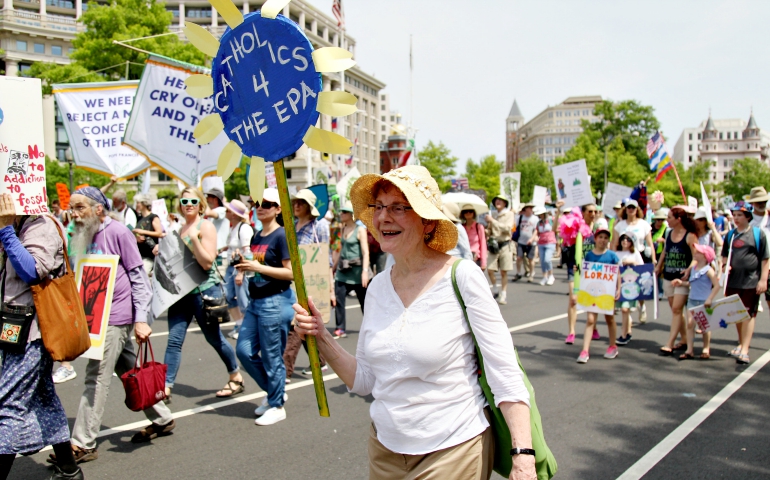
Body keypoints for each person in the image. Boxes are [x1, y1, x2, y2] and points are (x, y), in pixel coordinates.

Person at [293, 166, 536, 479]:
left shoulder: (462, 277)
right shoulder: (378, 287)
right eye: (379, 207)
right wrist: (321, 336)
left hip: (454, 450)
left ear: (427, 221)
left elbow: (504, 371)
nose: (383, 218)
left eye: (398, 207)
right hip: (384, 452)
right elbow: (365, 380)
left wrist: (523, 457)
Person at [62, 187, 174, 464]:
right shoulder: (81, 233)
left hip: (116, 316)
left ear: (98, 208)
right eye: (71, 208)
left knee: (96, 377)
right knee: (128, 368)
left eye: (79, 208)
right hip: (94, 318)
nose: (73, 214)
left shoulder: (119, 232)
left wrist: (140, 319)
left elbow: (139, 277)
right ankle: (163, 418)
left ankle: (83, 442)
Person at [0, 195, 84, 480]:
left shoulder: (41, 224)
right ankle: (69, 469)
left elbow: (32, 271)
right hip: (15, 327)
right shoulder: (18, 223)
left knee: (8, 405)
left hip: (33, 332)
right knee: (44, 398)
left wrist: (5, 231)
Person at [163, 187, 243, 401]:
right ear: (180, 205)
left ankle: (235, 375)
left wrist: (195, 240)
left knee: (214, 338)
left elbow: (208, 263)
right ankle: (166, 387)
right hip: (181, 293)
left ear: (200, 205)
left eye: (193, 201)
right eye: (184, 200)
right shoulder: (178, 229)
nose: (188, 204)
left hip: (204, 290)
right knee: (174, 340)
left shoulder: (205, 226)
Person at [234, 188, 296, 426]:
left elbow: (290, 273)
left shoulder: (282, 236)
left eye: (267, 204)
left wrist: (258, 268)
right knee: (244, 350)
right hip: (255, 301)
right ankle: (275, 392)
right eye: (257, 202)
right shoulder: (256, 236)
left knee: (272, 357)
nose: (260, 206)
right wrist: (245, 266)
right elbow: (257, 266)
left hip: (276, 300)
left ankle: (277, 404)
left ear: (278, 209)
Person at [283, 189, 330, 381]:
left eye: (301, 203)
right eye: (295, 202)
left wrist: (329, 287)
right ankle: (320, 360)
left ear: (309, 208)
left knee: (297, 323)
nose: (296, 206)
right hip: (292, 279)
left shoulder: (319, 226)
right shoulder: (291, 226)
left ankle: (284, 369)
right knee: (302, 325)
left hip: (312, 281)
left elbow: (325, 257)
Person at [721, 201, 769, 365]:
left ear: (748, 216)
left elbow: (765, 259)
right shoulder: (730, 235)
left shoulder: (757, 234)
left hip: (750, 281)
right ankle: (741, 343)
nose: (736, 218)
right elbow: (725, 255)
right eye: (734, 215)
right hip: (733, 281)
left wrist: (763, 280)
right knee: (737, 314)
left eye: (740, 215)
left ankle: (745, 350)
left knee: (749, 314)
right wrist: (724, 266)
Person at [655, 206, 698, 355]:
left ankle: (670, 343)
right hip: (668, 275)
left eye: (669, 218)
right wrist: (659, 266)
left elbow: (696, 256)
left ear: (678, 219)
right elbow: (665, 251)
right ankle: (685, 339)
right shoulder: (668, 233)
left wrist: (688, 269)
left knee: (676, 309)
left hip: (682, 279)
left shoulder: (690, 235)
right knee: (676, 310)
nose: (667, 220)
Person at [577, 228, 621, 363]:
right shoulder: (589, 255)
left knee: (610, 319)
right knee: (590, 320)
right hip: (592, 293)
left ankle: (612, 345)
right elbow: (584, 272)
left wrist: (618, 288)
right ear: (595, 239)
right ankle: (585, 350)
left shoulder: (612, 256)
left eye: (606, 238)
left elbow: (617, 273)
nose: (603, 240)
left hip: (607, 293)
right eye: (600, 237)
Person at [610, 199, 655, 324]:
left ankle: (642, 306)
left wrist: (654, 259)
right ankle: (627, 313)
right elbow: (614, 242)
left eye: (633, 208)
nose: (631, 210)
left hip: (638, 254)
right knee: (625, 283)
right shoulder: (620, 225)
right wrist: (613, 258)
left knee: (639, 284)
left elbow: (650, 242)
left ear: (637, 210)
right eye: (629, 208)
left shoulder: (643, 224)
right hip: (623, 255)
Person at [673, 244, 719, 360]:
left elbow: (717, 286)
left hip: (704, 301)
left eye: (698, 252)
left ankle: (706, 348)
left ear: (705, 256)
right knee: (690, 324)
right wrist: (681, 283)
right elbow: (691, 283)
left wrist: (709, 299)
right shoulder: (694, 269)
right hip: (692, 300)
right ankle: (690, 349)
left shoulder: (708, 270)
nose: (695, 253)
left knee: (704, 325)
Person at [564, 204, 599, 344]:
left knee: (592, 299)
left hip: (592, 269)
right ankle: (571, 331)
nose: (593, 213)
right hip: (575, 268)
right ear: (583, 213)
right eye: (590, 211)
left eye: (595, 211)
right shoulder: (576, 227)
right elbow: (565, 240)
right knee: (573, 300)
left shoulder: (598, 229)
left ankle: (593, 327)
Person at [332, 204, 369, 338]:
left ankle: (370, 326)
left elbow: (365, 252)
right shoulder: (342, 228)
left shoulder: (360, 230)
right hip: (343, 271)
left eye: (345, 212)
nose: (341, 214)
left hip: (357, 272)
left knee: (364, 302)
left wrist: (365, 271)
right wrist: (334, 267)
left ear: (352, 215)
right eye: (341, 212)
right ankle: (340, 327)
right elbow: (340, 250)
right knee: (339, 299)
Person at [223, 199, 254, 340]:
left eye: (228, 210)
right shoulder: (233, 228)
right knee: (228, 296)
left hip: (239, 268)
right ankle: (240, 323)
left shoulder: (244, 228)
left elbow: (247, 253)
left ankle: (247, 329)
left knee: (243, 300)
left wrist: (241, 272)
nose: (225, 212)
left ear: (234, 214)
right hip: (231, 267)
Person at [615, 232, 643, 345]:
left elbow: (642, 266)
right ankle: (628, 331)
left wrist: (632, 262)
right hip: (619, 285)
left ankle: (623, 334)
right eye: (623, 239)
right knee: (624, 310)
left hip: (631, 286)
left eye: (628, 239)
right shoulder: (617, 253)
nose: (625, 241)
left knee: (625, 309)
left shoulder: (634, 253)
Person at [486, 195, 515, 304]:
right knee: (490, 269)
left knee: (504, 271)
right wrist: (483, 230)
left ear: (504, 203)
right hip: (494, 245)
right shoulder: (493, 214)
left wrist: (493, 221)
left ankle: (504, 295)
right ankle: (495, 289)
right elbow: (490, 231)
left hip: (505, 244)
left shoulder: (509, 214)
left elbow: (507, 228)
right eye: (496, 201)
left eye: (500, 201)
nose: (497, 202)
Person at [131, 193, 164, 276]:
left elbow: (159, 233)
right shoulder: (139, 218)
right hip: (140, 254)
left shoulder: (153, 217)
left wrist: (143, 232)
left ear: (144, 203)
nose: (137, 205)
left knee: (143, 275)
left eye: (138, 202)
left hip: (150, 255)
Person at [203, 184, 230, 266]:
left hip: (221, 255)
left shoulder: (221, 210)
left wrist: (203, 203)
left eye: (208, 196)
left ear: (215, 199)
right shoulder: (215, 210)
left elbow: (208, 213)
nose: (206, 199)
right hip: (214, 253)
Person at [514, 203, 539, 283]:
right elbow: (515, 227)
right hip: (521, 241)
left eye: (531, 208)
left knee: (530, 259)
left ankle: (531, 274)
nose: (531, 209)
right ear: (525, 209)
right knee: (519, 258)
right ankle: (518, 272)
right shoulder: (520, 217)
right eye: (529, 208)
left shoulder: (535, 218)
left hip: (531, 242)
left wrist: (532, 239)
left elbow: (536, 230)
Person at [535, 206, 556, 286]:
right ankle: (545, 276)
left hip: (550, 242)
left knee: (547, 259)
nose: (540, 215)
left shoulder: (551, 220)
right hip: (541, 243)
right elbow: (537, 232)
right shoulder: (539, 222)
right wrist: (535, 238)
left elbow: (555, 227)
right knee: (543, 261)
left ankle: (551, 275)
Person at [462, 204, 487, 270]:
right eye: (465, 211)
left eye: (470, 211)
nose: (468, 213)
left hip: (476, 259)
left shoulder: (478, 227)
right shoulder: (461, 227)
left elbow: (483, 244)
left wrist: (483, 262)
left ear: (474, 213)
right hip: (464, 258)